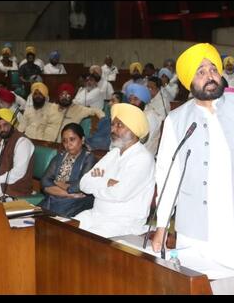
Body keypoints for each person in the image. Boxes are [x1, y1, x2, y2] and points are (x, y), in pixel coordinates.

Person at [151, 43, 234, 279]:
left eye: (213, 69)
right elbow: (166, 175)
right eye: (200, 72)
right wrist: (161, 225)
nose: (210, 76)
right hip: (196, 225)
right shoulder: (175, 120)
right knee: (203, 285)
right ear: (189, 83)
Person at [75, 103, 155, 238]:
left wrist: (99, 180)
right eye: (113, 125)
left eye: (119, 125)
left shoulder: (143, 158)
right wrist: (107, 182)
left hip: (123, 222)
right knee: (66, 227)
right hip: (96, 214)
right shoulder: (114, 153)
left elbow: (119, 194)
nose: (113, 129)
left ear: (134, 130)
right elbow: (83, 183)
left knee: (84, 242)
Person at [39, 123, 97, 217]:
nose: (68, 144)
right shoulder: (60, 157)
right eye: (64, 141)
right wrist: (69, 194)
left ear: (82, 140)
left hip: (77, 204)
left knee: (50, 219)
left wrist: (57, 183)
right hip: (56, 199)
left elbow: (80, 186)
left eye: (72, 139)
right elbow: (44, 182)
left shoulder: (89, 158)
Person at [125, 83, 162, 156]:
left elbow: (143, 142)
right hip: (130, 152)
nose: (132, 102)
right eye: (130, 99)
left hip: (144, 155)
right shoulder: (133, 113)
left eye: (136, 99)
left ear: (144, 100)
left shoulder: (151, 116)